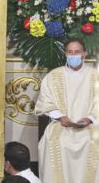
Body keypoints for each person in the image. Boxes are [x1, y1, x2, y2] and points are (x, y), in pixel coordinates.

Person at [35, 38, 99, 183]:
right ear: (65, 54)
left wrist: (90, 118)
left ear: (84, 54)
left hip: (89, 126)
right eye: (70, 52)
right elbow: (46, 100)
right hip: (61, 126)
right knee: (55, 141)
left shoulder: (95, 76)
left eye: (77, 52)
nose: (73, 55)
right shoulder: (53, 76)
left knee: (91, 141)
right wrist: (60, 117)